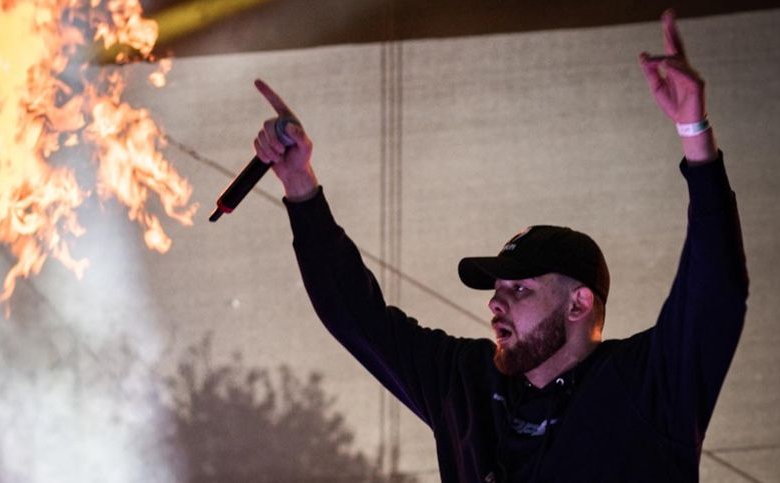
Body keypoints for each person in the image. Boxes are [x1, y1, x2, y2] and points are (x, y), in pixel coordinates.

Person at [251, 9, 747, 483]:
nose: (494, 303)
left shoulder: (646, 383)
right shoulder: (468, 383)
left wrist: (694, 134)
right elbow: (356, 316)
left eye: (520, 289)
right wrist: (300, 187)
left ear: (579, 303)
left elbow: (715, 290)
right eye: (497, 289)